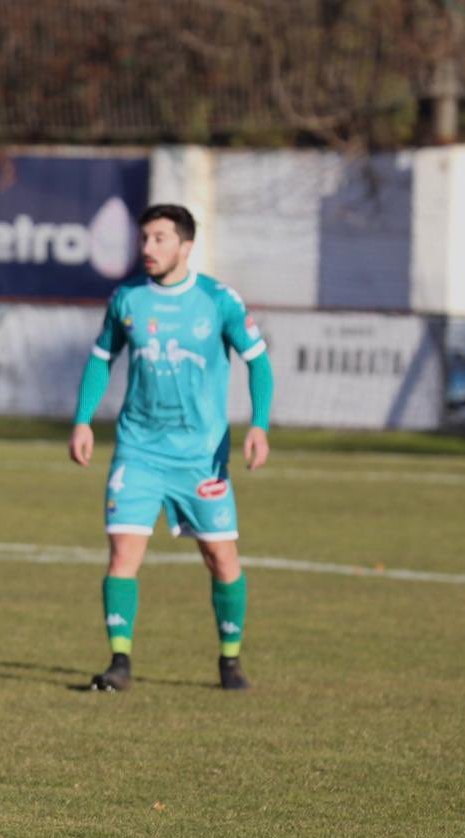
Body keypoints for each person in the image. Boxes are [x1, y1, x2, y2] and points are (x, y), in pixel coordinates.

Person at [68, 203, 273, 692]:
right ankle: (119, 662)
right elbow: (101, 360)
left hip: (201, 456)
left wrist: (259, 425)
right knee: (123, 555)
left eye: (159, 239)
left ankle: (229, 660)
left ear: (185, 245)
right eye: (144, 239)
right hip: (137, 451)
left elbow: (259, 365)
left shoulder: (218, 300)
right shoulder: (127, 299)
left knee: (222, 560)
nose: (148, 248)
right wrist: (82, 420)